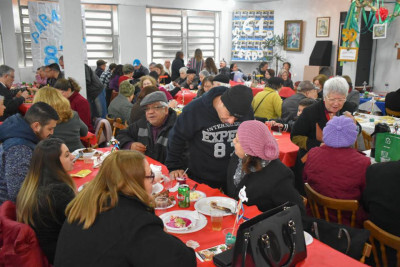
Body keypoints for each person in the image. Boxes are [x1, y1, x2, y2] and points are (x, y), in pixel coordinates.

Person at [54, 150, 196, 266]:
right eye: (150, 176)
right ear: (134, 182)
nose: (153, 182)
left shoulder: (86, 203)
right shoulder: (135, 221)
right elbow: (183, 261)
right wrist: (163, 234)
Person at [166, 85, 254, 189]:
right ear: (221, 101)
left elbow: (250, 136)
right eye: (229, 114)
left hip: (235, 175)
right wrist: (174, 166)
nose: (231, 121)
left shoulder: (246, 110)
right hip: (202, 176)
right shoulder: (195, 109)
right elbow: (177, 137)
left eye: (237, 118)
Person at [291, 76, 358, 194]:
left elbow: (355, 130)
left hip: (340, 160)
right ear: (324, 97)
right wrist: (318, 145)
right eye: (332, 99)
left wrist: (354, 124)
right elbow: (295, 136)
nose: (336, 103)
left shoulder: (347, 108)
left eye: (341, 99)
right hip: (312, 160)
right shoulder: (310, 112)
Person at [16, 138, 75, 264]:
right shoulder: (58, 192)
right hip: (60, 254)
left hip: (42, 251)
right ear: (53, 163)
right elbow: (80, 222)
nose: (72, 157)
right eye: (66, 155)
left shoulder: (30, 187)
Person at [304, 116, 370, 227]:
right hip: (348, 222)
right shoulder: (363, 162)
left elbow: (305, 180)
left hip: (315, 214)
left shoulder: (313, 153)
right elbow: (366, 197)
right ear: (353, 137)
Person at [226, 120, 305, 213]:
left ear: (250, 148)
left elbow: (296, 211)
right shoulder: (238, 158)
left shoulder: (278, 176)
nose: (233, 141)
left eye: (238, 141)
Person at [0, 102, 59, 204]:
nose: (52, 133)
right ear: (36, 126)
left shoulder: (25, 138)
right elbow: (18, 193)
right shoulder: (19, 148)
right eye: (50, 128)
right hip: (14, 210)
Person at [118, 92, 177, 164]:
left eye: (156, 107)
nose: (150, 112)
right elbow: (121, 135)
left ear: (166, 110)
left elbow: (184, 157)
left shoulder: (177, 128)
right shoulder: (142, 124)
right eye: (147, 108)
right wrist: (130, 145)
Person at [33, 87, 88, 152]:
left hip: (54, 157)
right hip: (77, 154)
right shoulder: (72, 114)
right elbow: (84, 132)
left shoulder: (39, 121)